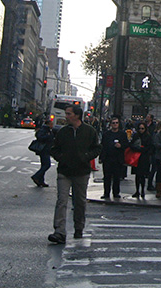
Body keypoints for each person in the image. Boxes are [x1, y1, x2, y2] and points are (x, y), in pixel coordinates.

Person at [48, 104, 101, 244]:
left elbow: (97, 148)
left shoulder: (89, 131)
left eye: (68, 114)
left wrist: (86, 157)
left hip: (81, 172)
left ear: (77, 116)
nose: (66, 116)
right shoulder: (63, 132)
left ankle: (79, 227)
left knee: (79, 202)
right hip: (64, 171)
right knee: (61, 201)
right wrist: (61, 157)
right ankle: (59, 231)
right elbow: (54, 149)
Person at [99, 116, 129, 200]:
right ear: (111, 124)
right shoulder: (106, 134)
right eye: (113, 123)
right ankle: (106, 193)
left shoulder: (122, 134)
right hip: (108, 158)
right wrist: (101, 157)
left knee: (117, 177)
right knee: (107, 177)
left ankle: (116, 193)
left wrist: (121, 145)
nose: (115, 124)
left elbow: (126, 144)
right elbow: (103, 146)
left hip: (118, 159)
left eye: (116, 123)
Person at [129, 122, 153, 199]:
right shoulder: (136, 136)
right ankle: (137, 190)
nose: (141, 130)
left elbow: (150, 147)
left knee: (142, 175)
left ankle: (142, 190)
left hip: (144, 158)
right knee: (137, 175)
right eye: (139, 128)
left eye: (142, 128)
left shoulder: (148, 137)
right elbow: (131, 144)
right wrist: (137, 148)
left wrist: (142, 149)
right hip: (136, 157)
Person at [31, 116, 55, 188]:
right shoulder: (44, 130)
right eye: (51, 124)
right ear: (48, 124)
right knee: (47, 165)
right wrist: (48, 136)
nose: (52, 125)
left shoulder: (47, 130)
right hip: (44, 150)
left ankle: (41, 181)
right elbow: (39, 137)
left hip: (46, 149)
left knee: (44, 165)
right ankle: (36, 176)